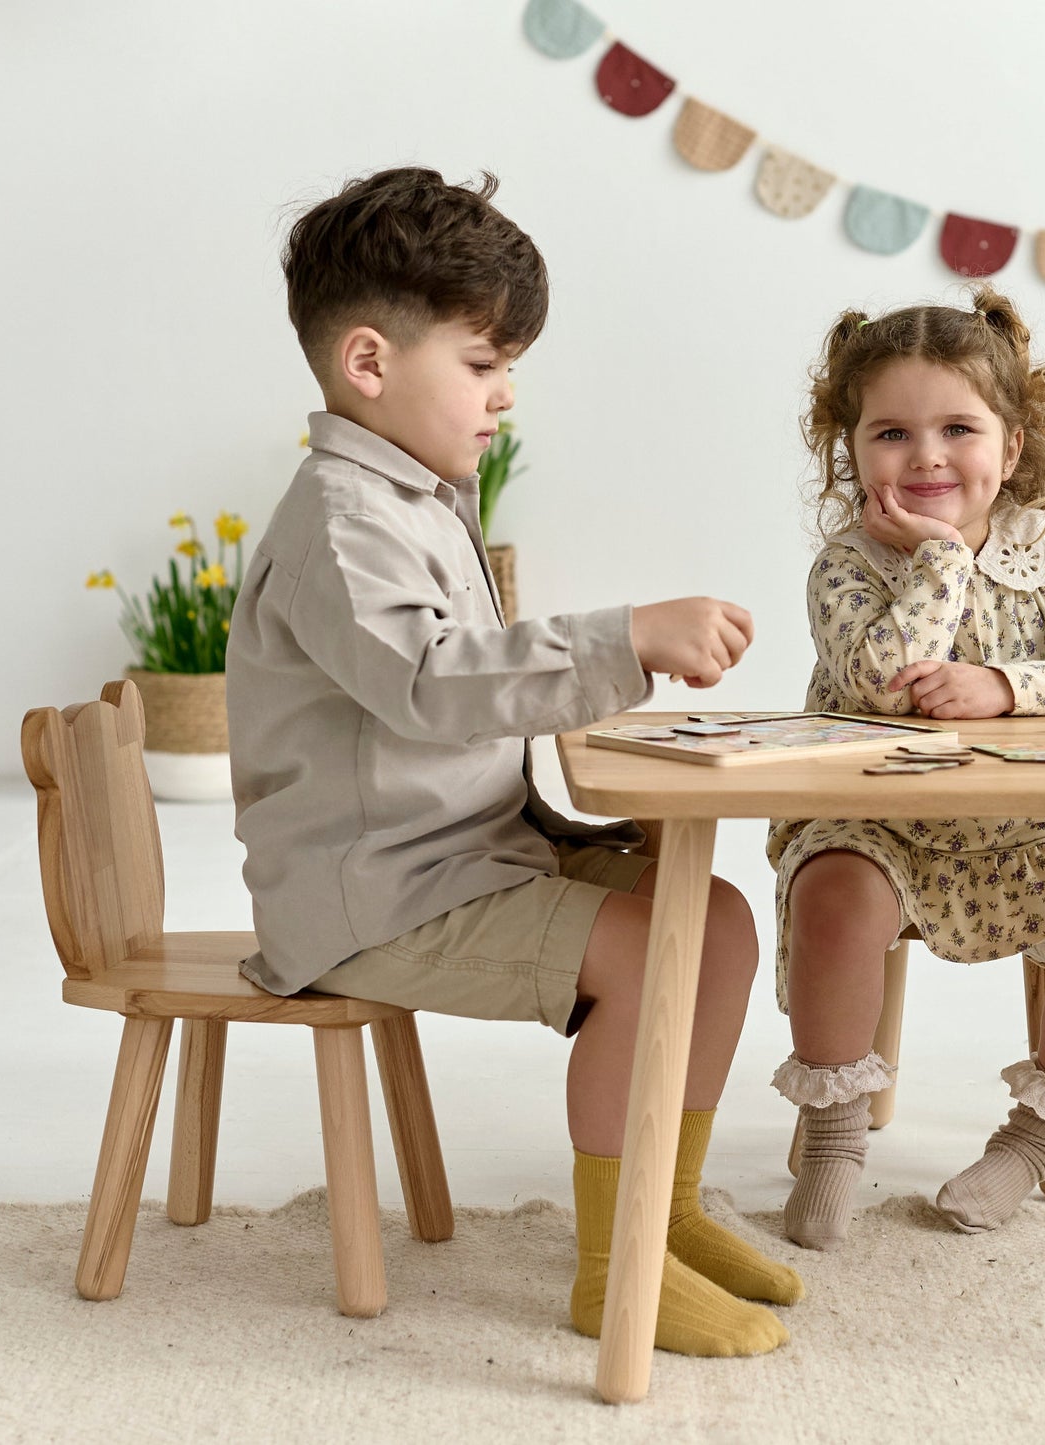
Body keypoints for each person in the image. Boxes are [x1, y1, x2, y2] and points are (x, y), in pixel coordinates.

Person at [226, 166, 801, 1353]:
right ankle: (612, 1265)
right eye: (482, 365)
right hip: (374, 894)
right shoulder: (342, 520)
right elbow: (434, 682)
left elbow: (458, 685)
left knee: (721, 921)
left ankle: (665, 1207)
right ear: (370, 365)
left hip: (457, 856)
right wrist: (623, 637)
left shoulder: (418, 495)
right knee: (647, 956)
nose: (504, 394)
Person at [768, 288, 1045, 1249]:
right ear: (852, 453)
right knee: (835, 903)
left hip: (1022, 829)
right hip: (874, 827)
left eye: (956, 429)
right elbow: (880, 684)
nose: (927, 456)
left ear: (1012, 448)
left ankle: (1028, 1142)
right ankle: (831, 1137)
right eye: (892, 433)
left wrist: (1004, 685)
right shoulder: (847, 565)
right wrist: (939, 561)